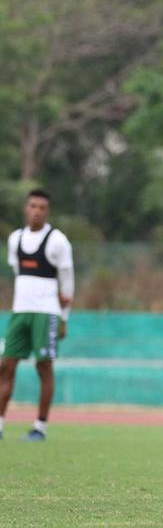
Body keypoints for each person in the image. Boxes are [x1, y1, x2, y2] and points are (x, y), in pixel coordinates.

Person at [0, 189, 74, 442]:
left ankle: (39, 427)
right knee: (6, 366)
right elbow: (17, 271)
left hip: (47, 313)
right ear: (26, 208)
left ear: (47, 211)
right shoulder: (15, 239)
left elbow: (68, 281)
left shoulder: (57, 241)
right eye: (33, 206)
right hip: (20, 311)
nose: (37, 211)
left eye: (42, 207)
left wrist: (64, 317)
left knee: (44, 367)